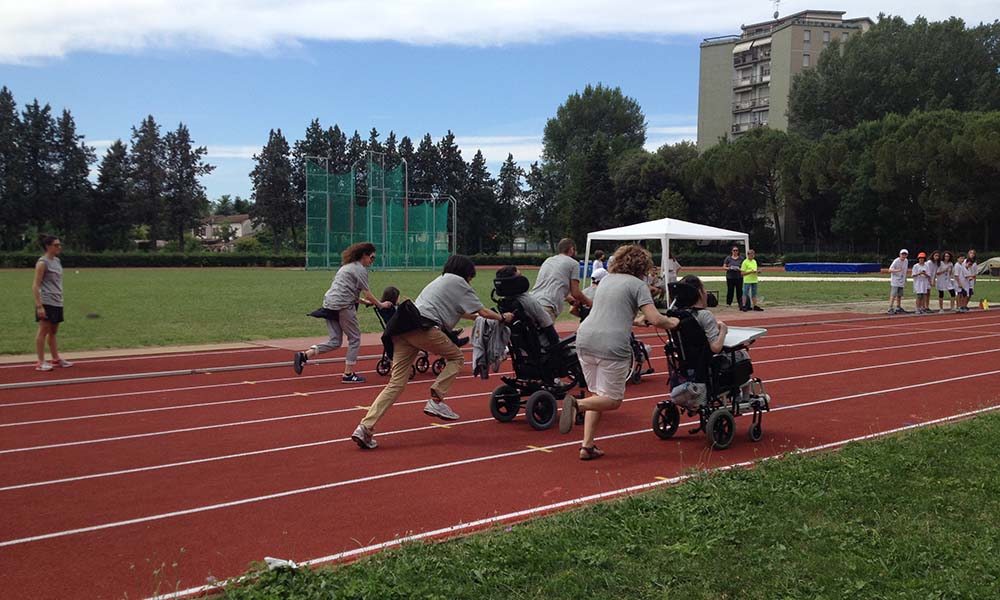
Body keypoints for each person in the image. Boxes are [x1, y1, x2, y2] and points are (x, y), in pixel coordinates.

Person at [351, 255, 513, 449]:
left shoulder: (441, 280)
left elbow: (464, 312)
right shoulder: (460, 283)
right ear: (466, 274)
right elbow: (483, 311)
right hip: (423, 328)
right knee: (457, 357)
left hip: (401, 329)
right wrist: (502, 317)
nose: (471, 280)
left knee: (396, 383)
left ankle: (365, 427)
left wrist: (484, 318)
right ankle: (436, 399)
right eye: (471, 277)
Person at [559, 245, 679, 460]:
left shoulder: (605, 280)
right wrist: (674, 322)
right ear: (642, 265)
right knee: (613, 399)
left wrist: (634, 321)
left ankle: (586, 446)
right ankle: (577, 405)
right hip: (612, 344)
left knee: (598, 394)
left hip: (585, 339)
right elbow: (656, 318)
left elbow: (606, 312)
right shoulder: (638, 284)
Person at [293, 242, 392, 382]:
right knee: (355, 338)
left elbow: (348, 292)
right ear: (364, 255)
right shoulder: (360, 270)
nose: (372, 261)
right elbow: (367, 293)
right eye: (372, 257)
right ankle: (348, 374)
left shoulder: (346, 267)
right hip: (343, 306)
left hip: (329, 304)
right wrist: (381, 305)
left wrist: (365, 302)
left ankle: (305, 355)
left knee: (335, 341)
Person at [31, 234, 73, 372]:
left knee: (53, 331)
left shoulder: (57, 261)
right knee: (43, 330)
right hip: (46, 301)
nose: (59, 247)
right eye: (56, 245)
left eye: (59, 244)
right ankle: (40, 361)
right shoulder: (42, 263)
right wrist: (39, 306)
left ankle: (55, 358)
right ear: (48, 246)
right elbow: (35, 285)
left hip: (57, 301)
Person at [530, 238, 592, 322]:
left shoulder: (548, 260)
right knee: (547, 334)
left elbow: (551, 284)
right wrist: (590, 303)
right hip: (547, 306)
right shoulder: (573, 264)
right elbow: (576, 293)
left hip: (532, 302)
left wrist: (569, 299)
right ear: (571, 249)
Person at [496, 265, 559, 347]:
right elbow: (547, 325)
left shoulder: (504, 302)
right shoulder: (528, 301)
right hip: (541, 345)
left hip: (522, 346)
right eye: (520, 276)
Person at [887, 249, 909, 314]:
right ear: (900, 254)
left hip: (901, 280)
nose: (903, 256)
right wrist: (897, 270)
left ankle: (898, 307)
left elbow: (905, 270)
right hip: (895, 280)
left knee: (899, 294)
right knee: (893, 294)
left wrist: (905, 278)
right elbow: (890, 270)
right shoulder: (896, 261)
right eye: (902, 254)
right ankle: (890, 307)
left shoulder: (906, 261)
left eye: (905, 254)